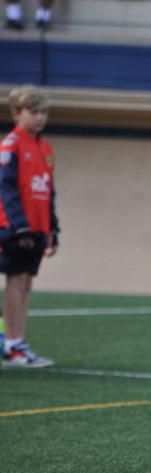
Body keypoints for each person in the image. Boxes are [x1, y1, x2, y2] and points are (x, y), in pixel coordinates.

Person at [0, 85, 59, 368]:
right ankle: (11, 344)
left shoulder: (46, 149)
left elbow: (48, 192)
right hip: (15, 227)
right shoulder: (11, 145)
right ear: (17, 114)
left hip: (37, 227)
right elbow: (6, 188)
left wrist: (52, 229)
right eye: (33, 112)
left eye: (44, 112)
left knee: (26, 283)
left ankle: (19, 341)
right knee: (15, 281)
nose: (40, 117)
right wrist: (19, 226)